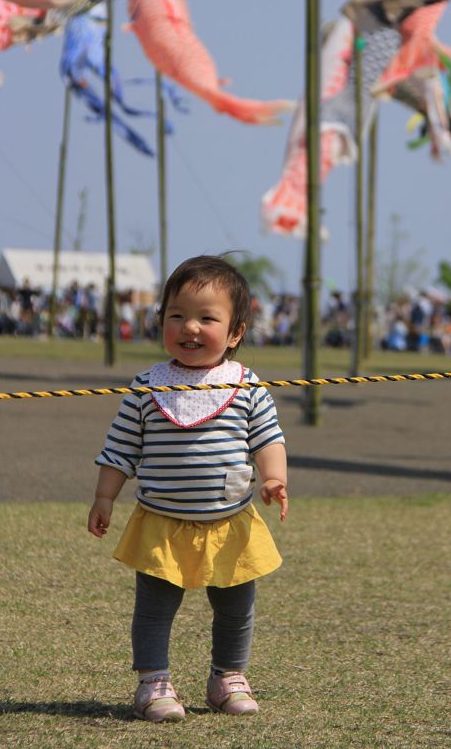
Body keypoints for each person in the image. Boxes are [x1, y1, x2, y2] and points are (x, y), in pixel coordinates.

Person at [87, 255, 288, 724]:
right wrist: (104, 497)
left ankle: (227, 677)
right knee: (155, 609)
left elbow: (268, 439)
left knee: (236, 608)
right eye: (176, 315)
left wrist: (274, 477)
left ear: (235, 332)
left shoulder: (247, 387)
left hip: (230, 521)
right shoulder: (146, 387)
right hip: (162, 523)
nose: (189, 327)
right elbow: (120, 449)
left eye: (206, 318)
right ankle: (152, 682)